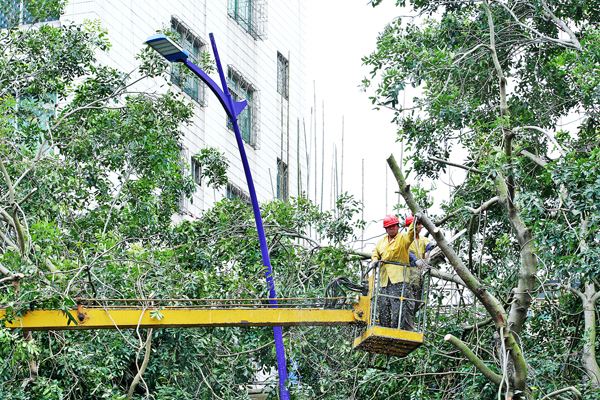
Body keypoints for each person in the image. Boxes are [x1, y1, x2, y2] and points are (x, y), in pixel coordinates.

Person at [371, 214, 416, 330]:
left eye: (394, 226)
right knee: (383, 306)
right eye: (389, 227)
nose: (392, 229)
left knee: (398, 307)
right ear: (386, 229)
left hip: (399, 279)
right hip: (385, 280)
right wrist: (375, 260)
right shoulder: (381, 241)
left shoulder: (403, 239)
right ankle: (384, 329)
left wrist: (415, 220)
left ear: (397, 226)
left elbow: (411, 233)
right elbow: (375, 252)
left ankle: (396, 330)